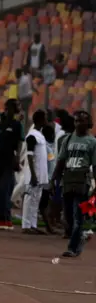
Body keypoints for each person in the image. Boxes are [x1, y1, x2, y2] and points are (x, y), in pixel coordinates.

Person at [52, 110, 96, 257]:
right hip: (68, 179)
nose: (78, 124)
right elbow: (61, 161)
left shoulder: (92, 142)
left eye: (81, 121)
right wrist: (53, 180)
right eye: (76, 121)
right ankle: (80, 238)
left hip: (82, 180)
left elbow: (95, 165)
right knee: (68, 216)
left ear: (88, 123)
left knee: (78, 216)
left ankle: (72, 247)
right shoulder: (68, 139)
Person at [0, 99, 22, 230]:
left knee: (4, 189)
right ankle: (1, 218)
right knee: (0, 189)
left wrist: (17, 158)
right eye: (6, 108)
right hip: (0, 160)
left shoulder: (16, 125)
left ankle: (6, 219)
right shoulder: (3, 124)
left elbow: (19, 143)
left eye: (9, 108)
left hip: (10, 160)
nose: (7, 111)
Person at [22, 110, 49, 234]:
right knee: (29, 198)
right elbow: (29, 156)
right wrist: (33, 174)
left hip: (40, 173)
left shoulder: (40, 135)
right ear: (39, 120)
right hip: (34, 173)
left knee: (36, 199)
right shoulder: (32, 136)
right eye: (45, 118)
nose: (46, 120)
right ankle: (26, 225)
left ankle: (33, 224)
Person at [40, 124, 57, 234]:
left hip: (49, 179)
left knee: (46, 203)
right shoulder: (46, 148)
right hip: (46, 180)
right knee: (44, 204)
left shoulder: (48, 147)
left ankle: (50, 225)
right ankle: (49, 226)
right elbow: (48, 164)